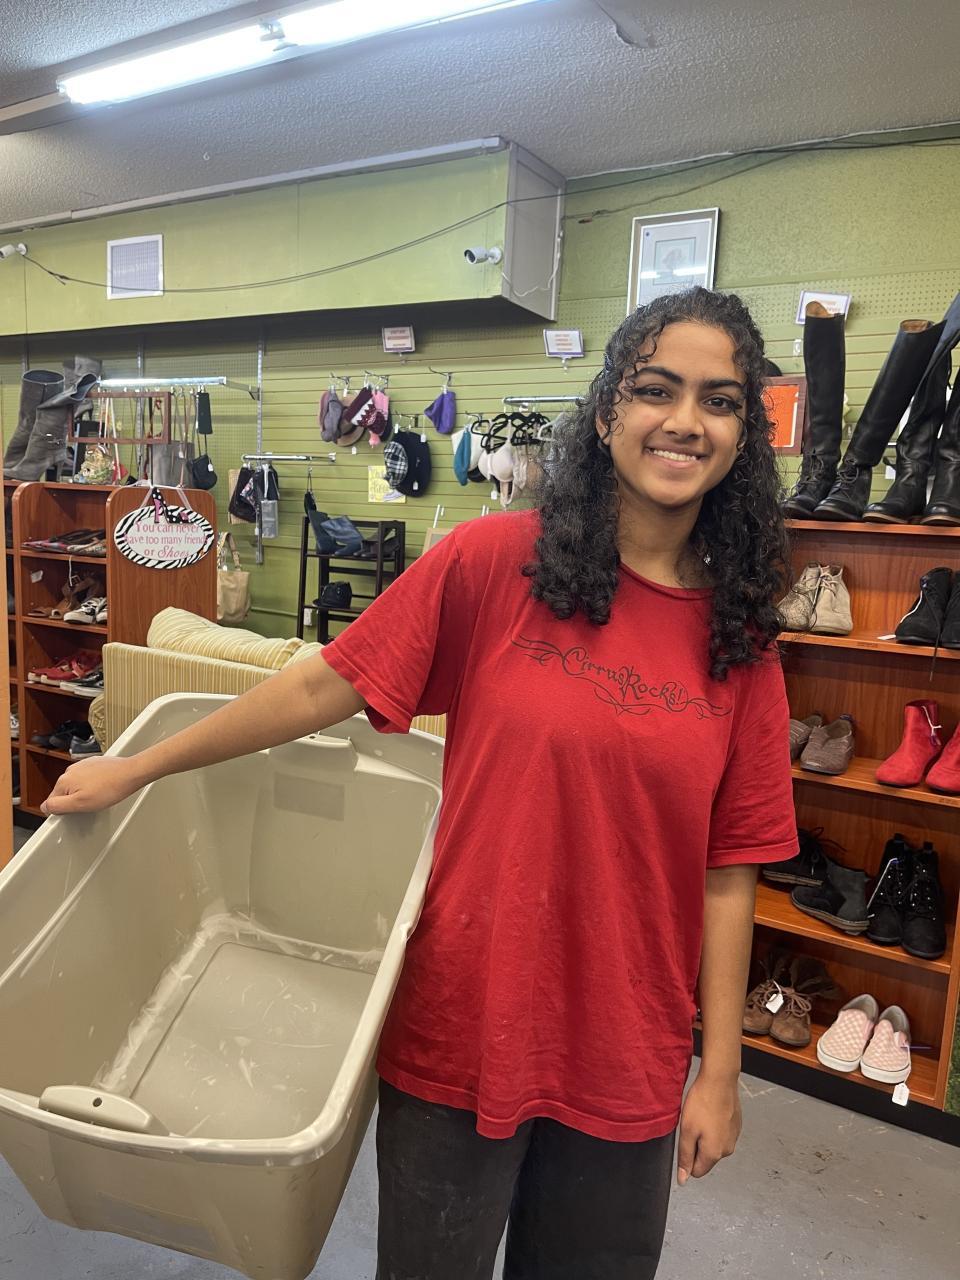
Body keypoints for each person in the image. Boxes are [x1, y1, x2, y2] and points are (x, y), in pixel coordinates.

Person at [44, 286, 798, 1280]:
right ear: (609, 410)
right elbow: (321, 682)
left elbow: (729, 870)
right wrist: (139, 766)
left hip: (626, 1052)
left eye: (720, 400)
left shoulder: (742, 642)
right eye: (657, 389)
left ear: (744, 436)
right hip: (462, 1029)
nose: (686, 421)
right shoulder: (494, 563)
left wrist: (722, 1071)